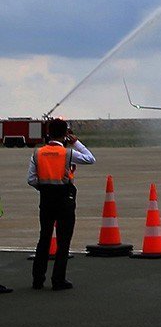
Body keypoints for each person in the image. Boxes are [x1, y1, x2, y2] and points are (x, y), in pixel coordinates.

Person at [27, 118, 95, 290]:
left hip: (46, 199)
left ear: (48, 133)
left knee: (44, 239)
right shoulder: (68, 153)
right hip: (65, 200)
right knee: (63, 242)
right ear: (66, 134)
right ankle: (58, 280)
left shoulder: (37, 153)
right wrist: (77, 142)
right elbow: (90, 159)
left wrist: (44, 187)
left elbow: (31, 180)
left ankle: (37, 280)